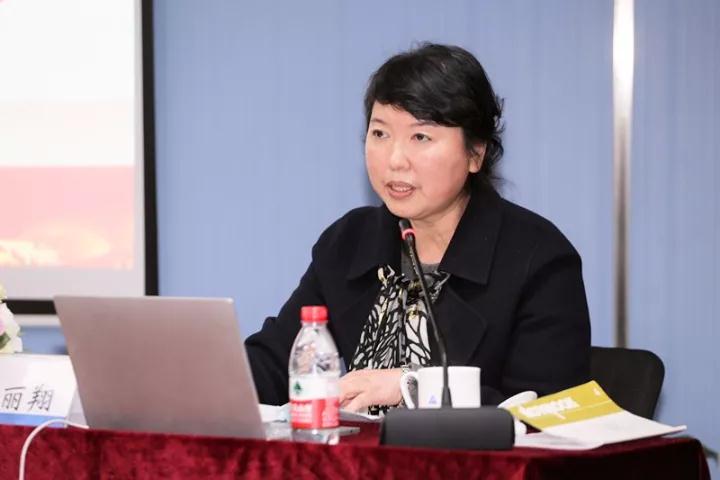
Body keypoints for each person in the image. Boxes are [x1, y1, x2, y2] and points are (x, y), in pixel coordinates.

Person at [245, 43, 591, 412]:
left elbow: (549, 412)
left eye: (420, 137)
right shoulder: (349, 242)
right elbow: (278, 362)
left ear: (475, 153)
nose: (395, 160)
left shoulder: (537, 258)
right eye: (380, 134)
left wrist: (411, 388)